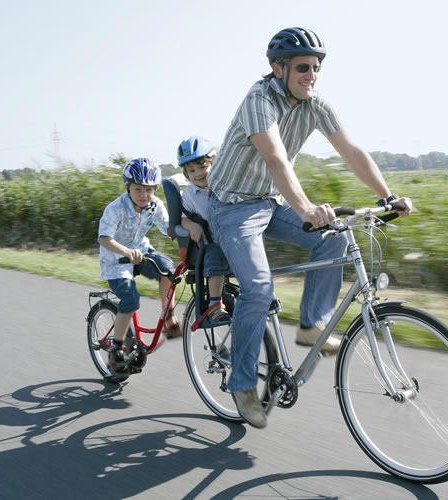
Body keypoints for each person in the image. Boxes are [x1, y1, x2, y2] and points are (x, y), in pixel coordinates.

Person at [207, 27, 412, 428]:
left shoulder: (315, 105)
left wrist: (388, 196)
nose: (311, 75)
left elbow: (352, 151)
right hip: (233, 208)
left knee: (335, 236)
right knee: (259, 288)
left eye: (316, 68)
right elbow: (276, 159)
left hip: (269, 201)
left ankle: (309, 324)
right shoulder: (258, 100)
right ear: (277, 68)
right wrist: (304, 208)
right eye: (303, 67)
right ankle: (243, 383)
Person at [98, 157, 182, 374]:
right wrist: (126, 251)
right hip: (116, 260)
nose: (144, 196)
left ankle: (169, 318)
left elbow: (169, 228)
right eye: (138, 190)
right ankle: (116, 348)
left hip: (142, 252)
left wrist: (187, 235)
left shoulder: (155, 205)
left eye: (149, 190)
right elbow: (104, 238)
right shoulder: (115, 208)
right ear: (128, 187)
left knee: (169, 271)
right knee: (130, 300)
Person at [176, 135, 232, 327]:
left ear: (214, 163)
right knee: (214, 254)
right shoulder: (190, 194)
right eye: (192, 170)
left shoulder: (227, 184)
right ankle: (215, 306)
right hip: (212, 243)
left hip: (235, 239)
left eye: (202, 167)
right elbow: (181, 218)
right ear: (186, 174)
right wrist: (191, 225)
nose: (198, 173)